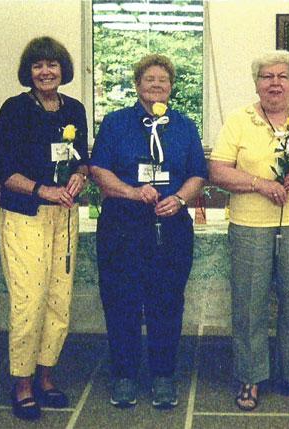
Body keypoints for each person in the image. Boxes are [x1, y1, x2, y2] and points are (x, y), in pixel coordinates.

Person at [209, 50, 289, 411]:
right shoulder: (239, 119)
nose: (275, 83)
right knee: (249, 303)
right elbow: (218, 171)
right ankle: (250, 377)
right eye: (267, 77)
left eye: (283, 76)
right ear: (257, 83)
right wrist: (258, 184)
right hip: (249, 223)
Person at [90, 54, 207, 410]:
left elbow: (198, 174)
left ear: (171, 86)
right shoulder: (115, 123)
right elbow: (98, 170)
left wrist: (181, 199)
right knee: (121, 301)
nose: (156, 85)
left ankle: (162, 375)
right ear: (137, 84)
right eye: (149, 79)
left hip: (170, 227)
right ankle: (124, 375)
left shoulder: (184, 126)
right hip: (122, 226)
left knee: (167, 302)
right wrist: (131, 191)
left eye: (163, 80)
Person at [0, 36, 89, 421]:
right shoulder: (15, 109)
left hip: (64, 215)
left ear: (63, 70)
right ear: (28, 72)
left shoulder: (74, 109)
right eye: (37, 66)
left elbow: (82, 158)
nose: (46, 72)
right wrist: (42, 189)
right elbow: (0, 169)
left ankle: (47, 376)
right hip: (26, 214)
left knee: (59, 300)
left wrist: (80, 176)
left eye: (52, 65)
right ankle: (23, 382)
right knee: (29, 301)